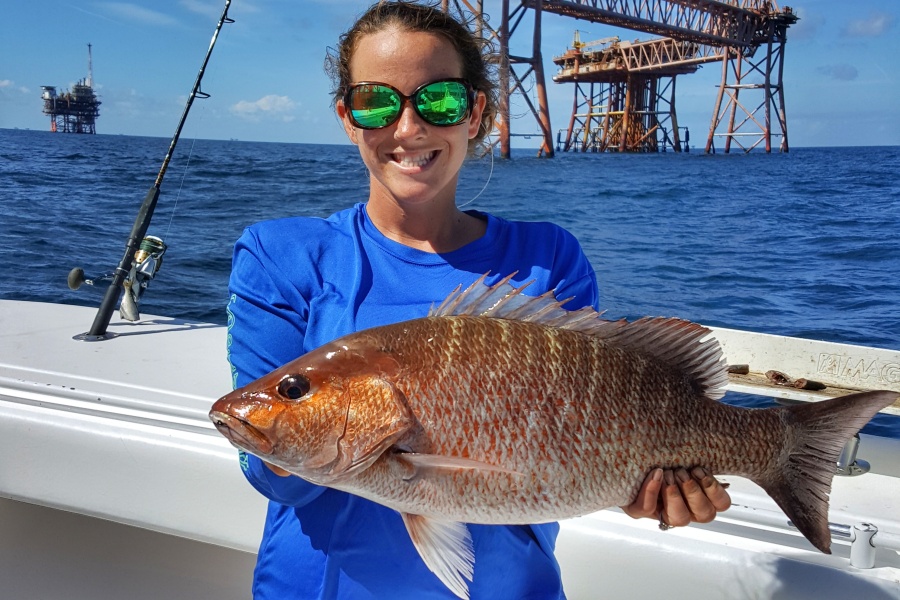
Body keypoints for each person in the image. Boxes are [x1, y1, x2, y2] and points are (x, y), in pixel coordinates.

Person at [225, 2, 731, 598]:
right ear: (347, 117)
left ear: (476, 113)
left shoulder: (548, 258)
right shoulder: (280, 255)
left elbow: (583, 448)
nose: (408, 128)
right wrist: (299, 440)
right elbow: (271, 477)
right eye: (376, 102)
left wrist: (647, 491)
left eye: (440, 100)